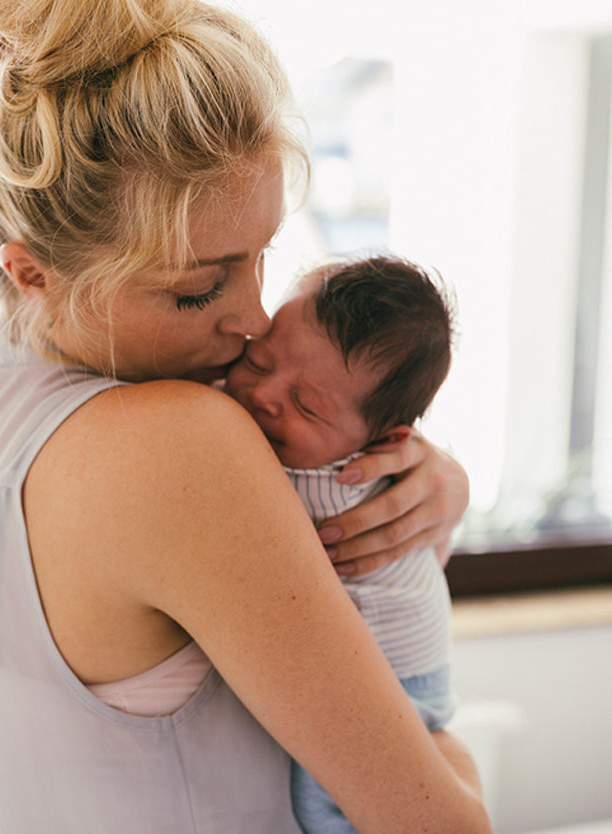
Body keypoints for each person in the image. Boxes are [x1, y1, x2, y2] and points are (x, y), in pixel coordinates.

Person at [0, 1, 491, 831]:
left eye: (262, 259)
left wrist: (411, 482)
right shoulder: (178, 441)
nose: (256, 320)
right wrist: (452, 757)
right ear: (34, 272)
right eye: (198, 288)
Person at [224, 254, 458, 834]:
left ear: (386, 440)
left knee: (330, 810)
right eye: (258, 359)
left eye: (308, 406)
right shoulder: (330, 445)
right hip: (411, 664)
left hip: (392, 682)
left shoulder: (323, 485)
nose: (265, 396)